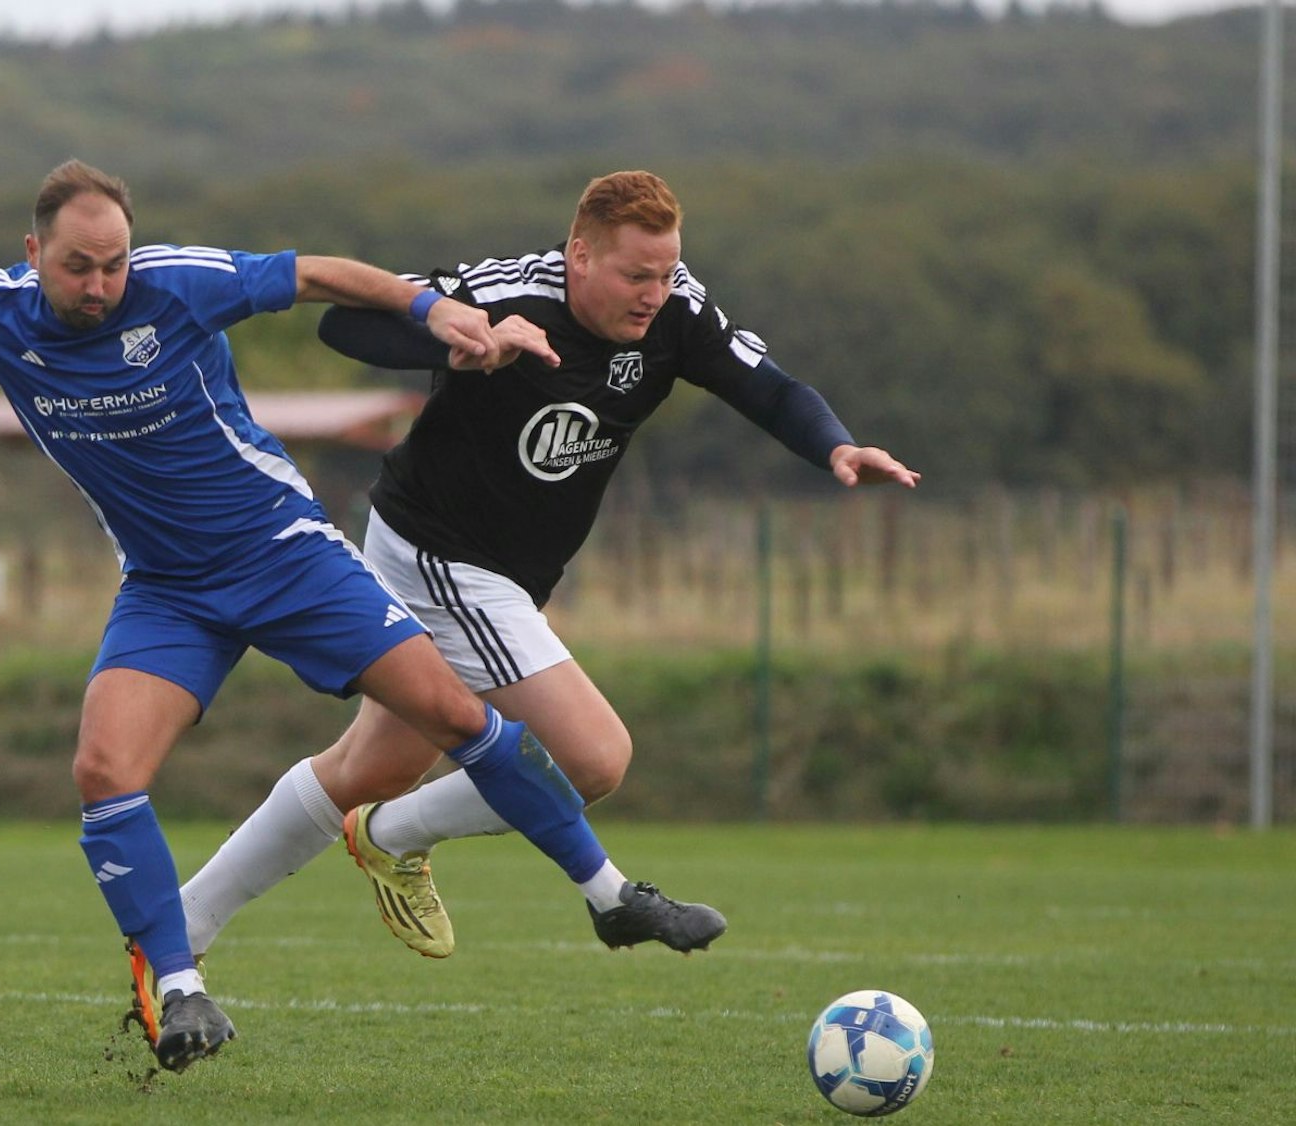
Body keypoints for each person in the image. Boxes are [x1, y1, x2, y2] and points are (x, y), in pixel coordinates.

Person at [0, 160, 684, 1074]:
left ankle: (607, 895)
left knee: (452, 716)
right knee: (102, 770)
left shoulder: (178, 284)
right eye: (78, 265)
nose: (100, 283)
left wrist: (427, 311)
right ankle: (180, 989)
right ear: (31, 251)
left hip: (282, 555)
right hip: (167, 588)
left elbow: (315, 273)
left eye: (114, 263)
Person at [179, 169, 919, 962]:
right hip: (440, 553)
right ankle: (393, 838)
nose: (654, 293)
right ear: (579, 256)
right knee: (592, 755)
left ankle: (185, 920)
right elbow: (348, 329)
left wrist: (837, 444)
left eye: (665, 273)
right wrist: (458, 337)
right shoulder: (512, 295)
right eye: (636, 274)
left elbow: (770, 390)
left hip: (508, 574)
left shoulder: (678, 311)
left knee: (371, 766)